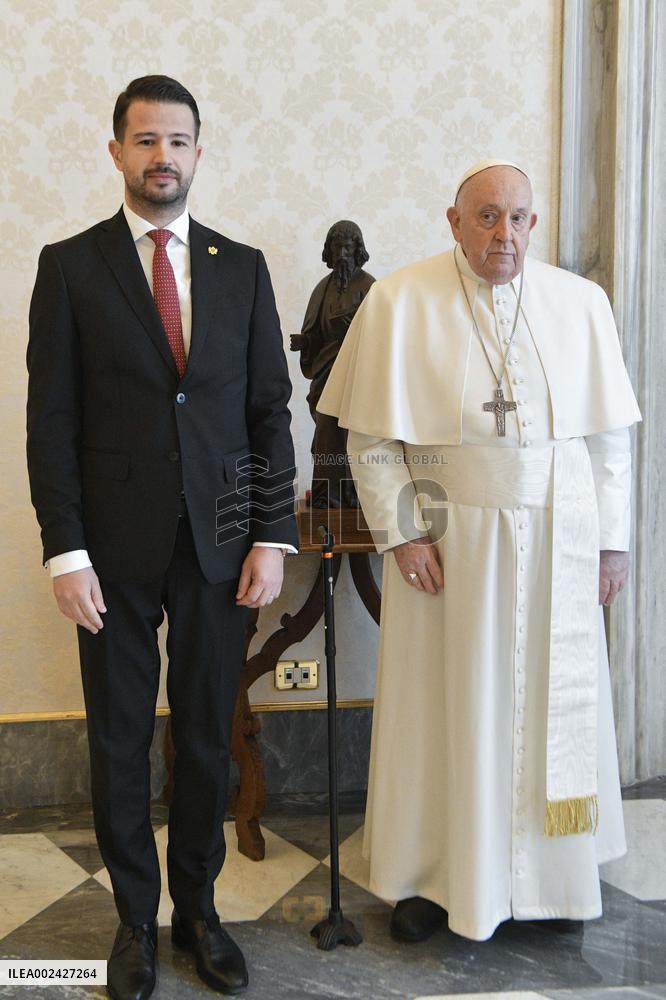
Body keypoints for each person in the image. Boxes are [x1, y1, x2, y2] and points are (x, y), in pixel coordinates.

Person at [317, 160, 641, 944]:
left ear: (535, 223)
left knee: (545, 710)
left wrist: (610, 542)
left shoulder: (579, 303)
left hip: (558, 545)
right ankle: (432, 879)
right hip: (450, 544)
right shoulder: (399, 301)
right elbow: (371, 438)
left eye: (520, 217)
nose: (506, 234)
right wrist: (401, 533)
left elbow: (607, 445)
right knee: (446, 710)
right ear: (453, 220)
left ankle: (551, 886)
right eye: (488, 216)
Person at [26, 75, 298, 1000]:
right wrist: (65, 551)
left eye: (178, 141)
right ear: (116, 153)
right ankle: (135, 924)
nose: (162, 156)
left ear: (198, 151)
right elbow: (49, 423)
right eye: (145, 141)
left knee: (208, 744)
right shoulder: (69, 266)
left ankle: (200, 912)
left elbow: (269, 413)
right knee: (117, 742)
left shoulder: (243, 266)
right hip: (110, 555)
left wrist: (273, 535)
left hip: (222, 548)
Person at [290, 220, 374, 508]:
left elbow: (381, 338)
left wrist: (353, 330)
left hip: (358, 379)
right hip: (326, 375)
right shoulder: (322, 288)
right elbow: (315, 331)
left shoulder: (369, 286)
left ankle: (355, 497)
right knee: (326, 435)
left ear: (357, 250)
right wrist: (305, 342)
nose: (341, 254)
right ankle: (327, 499)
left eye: (347, 247)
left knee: (356, 440)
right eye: (337, 247)